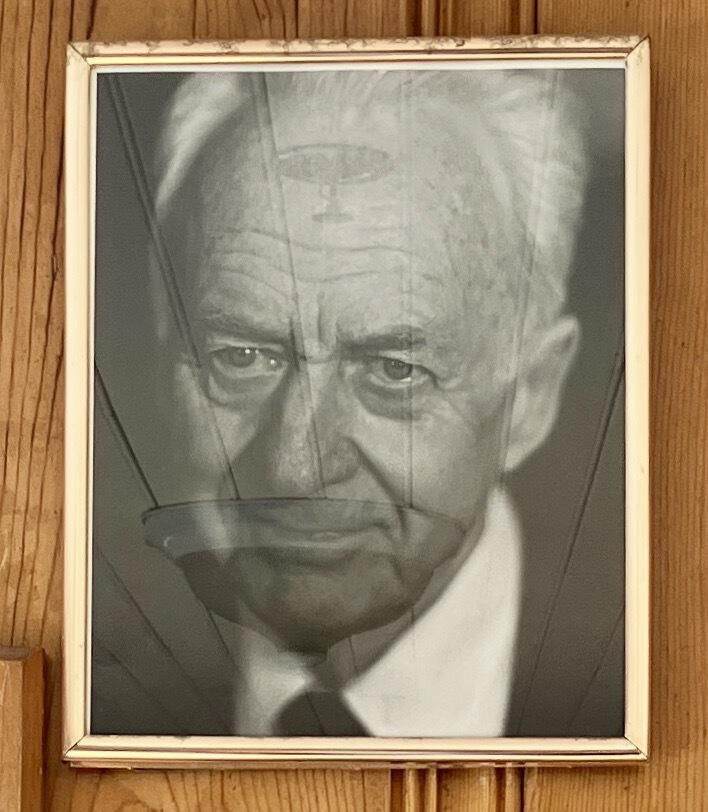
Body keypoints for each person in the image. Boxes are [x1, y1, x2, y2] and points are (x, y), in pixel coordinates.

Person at [132, 68, 587, 736]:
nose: (295, 467)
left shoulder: (643, 666)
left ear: (530, 398)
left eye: (394, 370)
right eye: (242, 357)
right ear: (163, 341)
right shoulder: (93, 649)